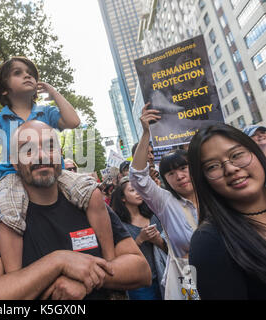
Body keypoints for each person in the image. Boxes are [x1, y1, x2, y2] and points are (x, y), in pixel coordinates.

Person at [0, 56, 115, 274]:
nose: (27, 75)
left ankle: (109, 261)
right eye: (18, 73)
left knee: (92, 193)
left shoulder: (47, 112)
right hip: (12, 177)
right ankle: (16, 277)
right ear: (4, 90)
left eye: (30, 72)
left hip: (54, 174)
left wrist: (53, 93)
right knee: (6, 213)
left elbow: (73, 122)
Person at [0, 120, 151, 300]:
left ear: (59, 154)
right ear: (14, 162)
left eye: (49, 146)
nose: (41, 156)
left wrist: (85, 280)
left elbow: (141, 271)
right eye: (27, 150)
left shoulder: (87, 203)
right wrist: (58, 262)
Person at [187, 123, 266, 299]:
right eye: (213, 166)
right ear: (203, 180)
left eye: (237, 155)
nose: (230, 169)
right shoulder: (208, 242)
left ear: (256, 153)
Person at [129, 103, 199, 298]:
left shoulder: (216, 195)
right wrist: (146, 134)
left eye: (183, 168)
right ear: (165, 179)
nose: (179, 176)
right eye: (170, 172)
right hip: (190, 279)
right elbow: (138, 177)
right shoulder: (165, 203)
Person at [111, 177, 167, 300]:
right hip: (140, 284)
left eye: (139, 189)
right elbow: (120, 258)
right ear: (123, 198)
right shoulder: (120, 225)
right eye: (132, 190)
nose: (138, 192)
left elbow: (170, 250)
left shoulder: (154, 216)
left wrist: (157, 240)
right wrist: (140, 239)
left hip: (164, 276)